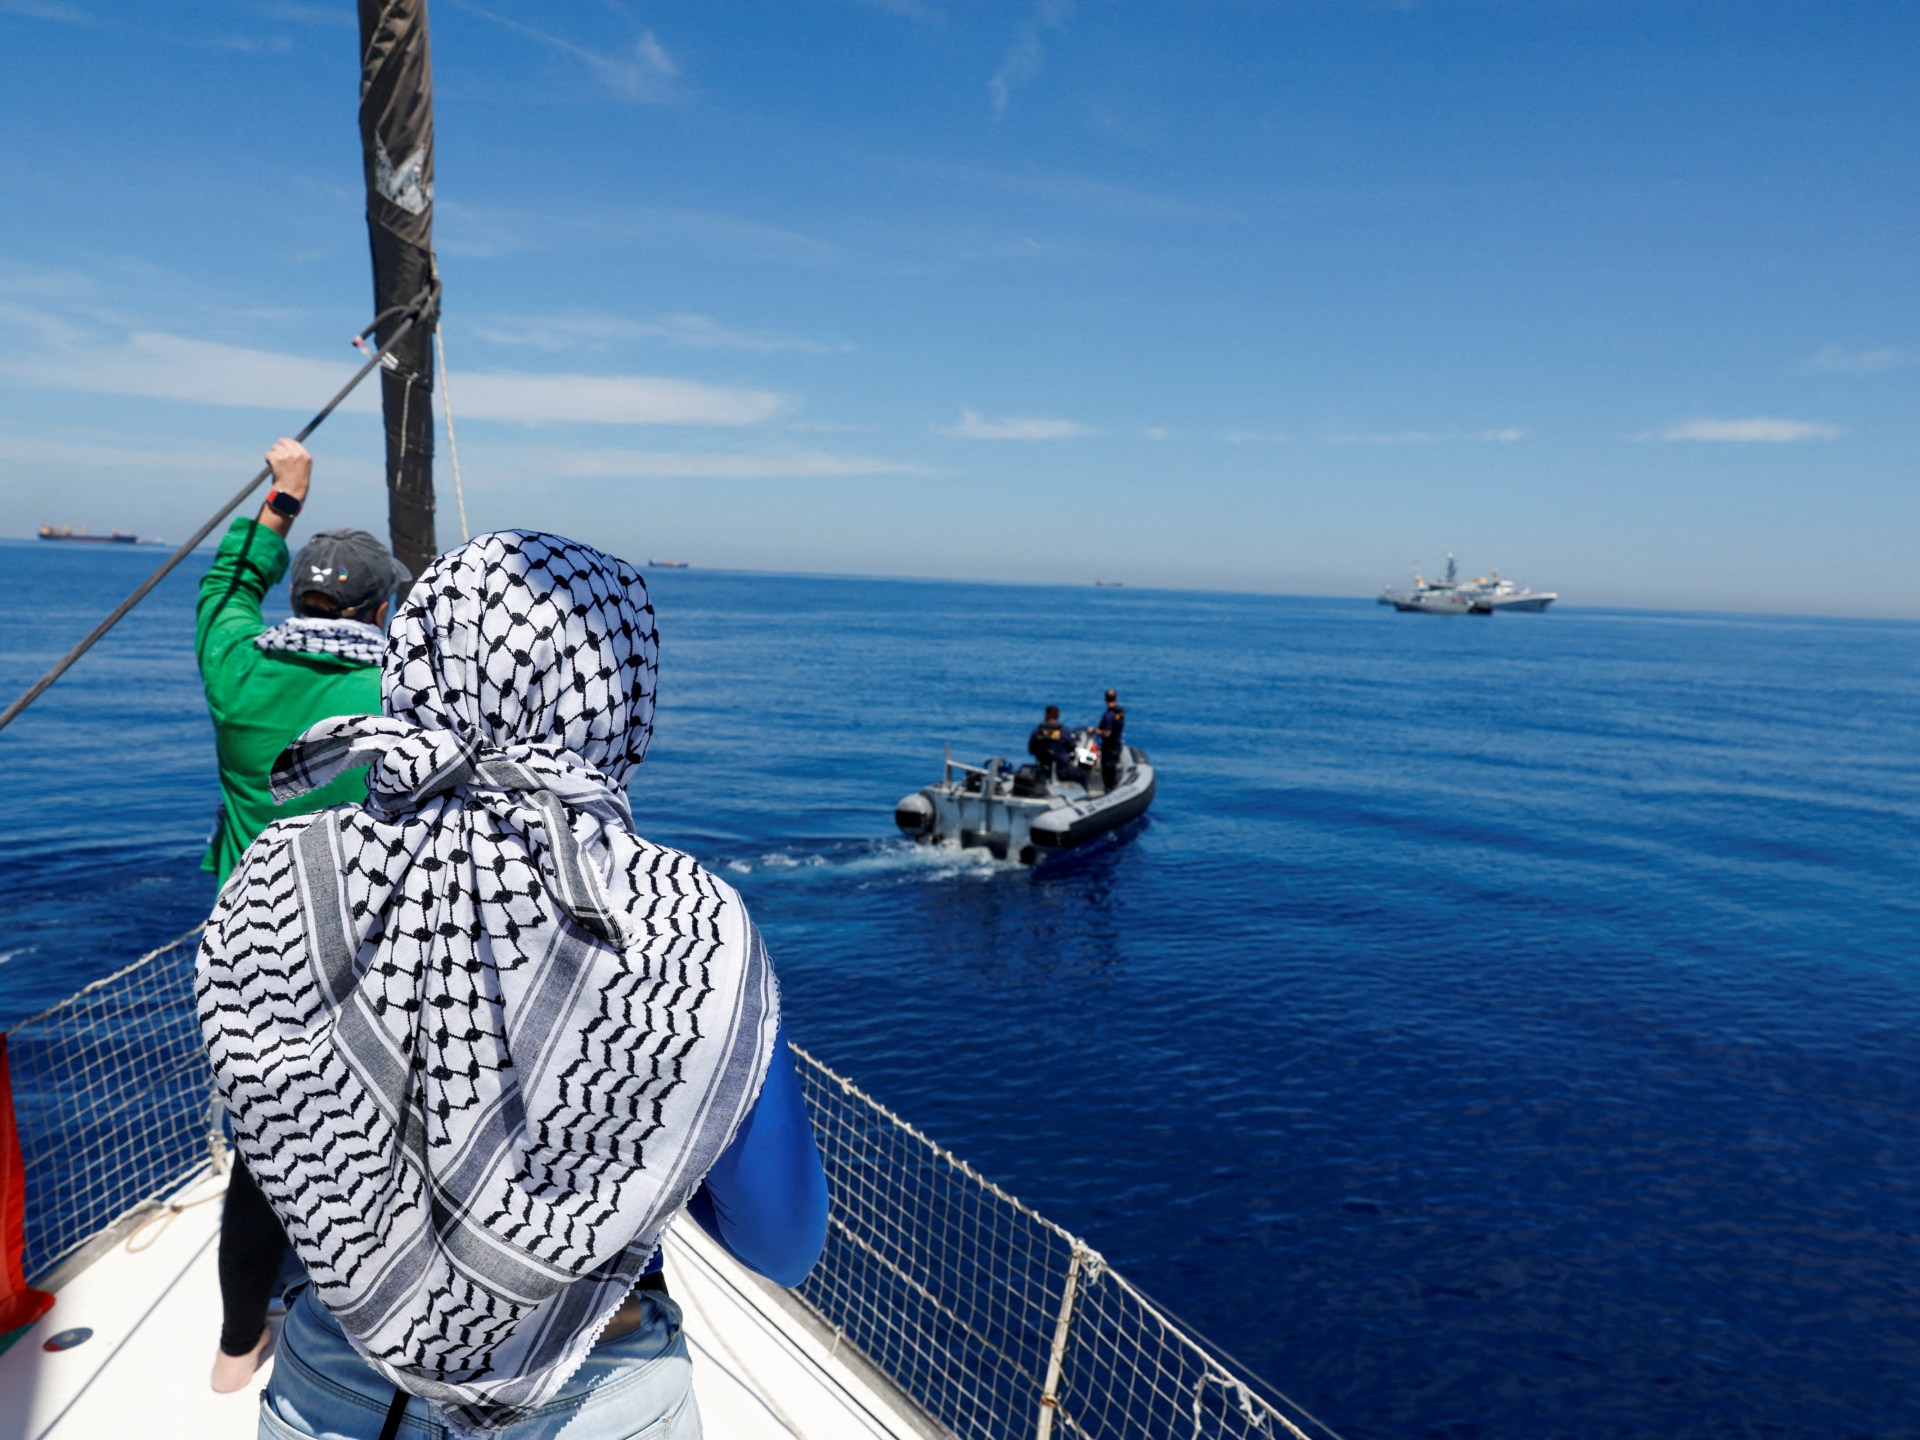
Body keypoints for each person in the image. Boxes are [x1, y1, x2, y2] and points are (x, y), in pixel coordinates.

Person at [196, 531, 829, 1439]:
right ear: (624, 693)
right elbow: (780, 1243)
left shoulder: (282, 877)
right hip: (601, 1394)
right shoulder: (687, 923)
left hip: (332, 1389)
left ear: (413, 658)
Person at [194, 437, 411, 1393]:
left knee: (262, 1153)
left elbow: (224, 591)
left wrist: (283, 499)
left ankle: (237, 1347)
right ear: (382, 610)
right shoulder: (402, 692)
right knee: (380, 1138)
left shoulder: (235, 671)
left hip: (250, 954)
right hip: (370, 956)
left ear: (297, 600)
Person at [1027, 704, 1084, 784]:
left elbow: (1032, 750)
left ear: (1047, 715)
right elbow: (1072, 746)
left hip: (1043, 768)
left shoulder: (1038, 732)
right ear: (1057, 716)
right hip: (1062, 770)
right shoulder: (1063, 732)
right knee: (1082, 775)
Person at [1095, 689, 1126, 793]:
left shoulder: (1108, 715)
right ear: (1116, 699)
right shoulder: (1120, 712)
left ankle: (1109, 791)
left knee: (1107, 773)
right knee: (1113, 770)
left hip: (1109, 747)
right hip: (1117, 744)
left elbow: (1107, 733)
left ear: (1105, 699)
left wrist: (1096, 731)